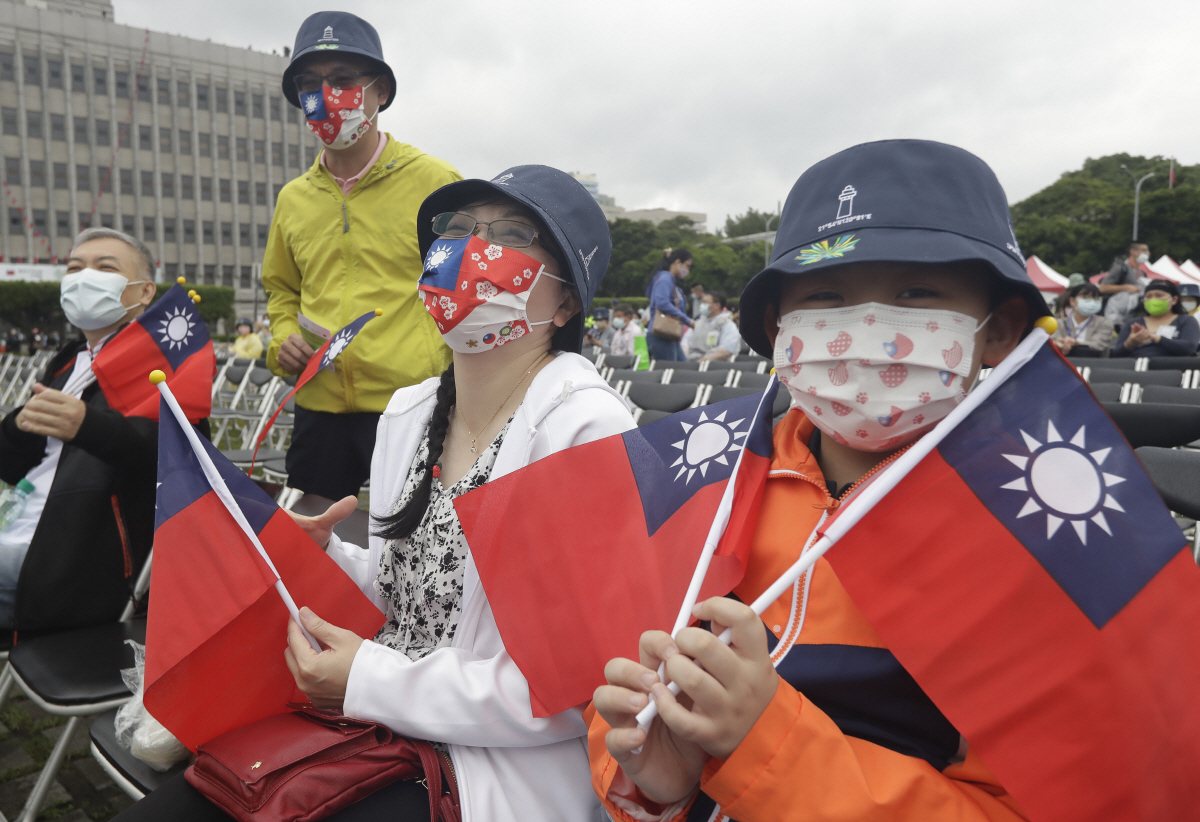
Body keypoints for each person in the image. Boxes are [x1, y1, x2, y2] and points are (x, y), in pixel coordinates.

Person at [113, 166, 634, 822]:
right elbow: (411, 595)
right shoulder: (411, 412)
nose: (471, 250)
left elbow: (571, 685)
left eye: (509, 235)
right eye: (456, 230)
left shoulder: (585, 428)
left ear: (566, 304)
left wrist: (368, 679)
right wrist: (326, 556)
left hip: (485, 766)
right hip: (371, 723)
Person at [591, 140, 1046, 821]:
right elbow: (623, 683)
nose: (866, 327)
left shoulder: (1043, 539)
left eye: (916, 293)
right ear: (779, 329)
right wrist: (658, 787)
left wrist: (763, 742)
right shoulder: (707, 482)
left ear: (1000, 329)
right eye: (826, 296)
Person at [262, 11, 461, 502]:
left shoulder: (436, 183)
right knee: (312, 530)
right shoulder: (293, 199)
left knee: (418, 535)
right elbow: (282, 289)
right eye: (309, 84)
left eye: (343, 79)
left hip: (412, 400)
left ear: (381, 92)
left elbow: (462, 288)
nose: (325, 95)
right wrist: (283, 338)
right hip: (320, 400)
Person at [0, 228, 165, 634]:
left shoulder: (162, 362)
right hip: (19, 525)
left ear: (144, 291)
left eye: (105, 268)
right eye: (74, 268)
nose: (84, 277)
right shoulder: (69, 360)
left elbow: (172, 462)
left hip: (72, 555)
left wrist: (89, 427)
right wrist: (19, 426)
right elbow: (11, 463)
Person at [1111, 278, 1200, 358]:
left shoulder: (1187, 321)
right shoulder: (1133, 323)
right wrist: (1129, 343)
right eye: (1148, 296)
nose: (1153, 300)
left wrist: (1157, 338)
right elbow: (1115, 355)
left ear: (1174, 300)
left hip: (1173, 369)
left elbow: (1189, 348)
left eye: (1159, 295)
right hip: (1136, 369)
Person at [646, 250, 694, 362]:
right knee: (672, 369)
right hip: (661, 335)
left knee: (682, 369)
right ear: (677, 262)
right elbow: (662, 303)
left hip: (669, 336)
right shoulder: (665, 278)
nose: (687, 270)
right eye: (687, 266)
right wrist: (687, 320)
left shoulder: (669, 280)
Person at [1053, 283, 1113, 357]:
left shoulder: (1104, 323)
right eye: (1086, 297)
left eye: (1096, 298)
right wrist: (1058, 343)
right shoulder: (1059, 323)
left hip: (1094, 362)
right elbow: (1053, 340)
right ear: (1072, 301)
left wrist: (1075, 343)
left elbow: (1098, 345)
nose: (1092, 302)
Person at [683, 290, 741, 361]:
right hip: (691, 361)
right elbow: (685, 343)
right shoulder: (698, 323)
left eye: (705, 302)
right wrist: (686, 361)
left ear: (717, 305)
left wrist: (700, 362)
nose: (702, 305)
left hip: (714, 365)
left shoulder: (728, 325)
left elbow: (726, 350)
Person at [1101, 241, 1149, 325]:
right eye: (1144, 250)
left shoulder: (1142, 273)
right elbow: (1103, 288)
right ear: (1133, 251)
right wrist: (1126, 287)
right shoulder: (1121, 268)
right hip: (1116, 313)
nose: (1147, 253)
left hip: (1134, 312)